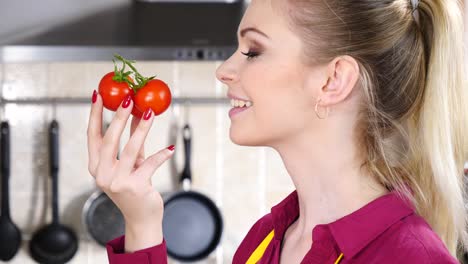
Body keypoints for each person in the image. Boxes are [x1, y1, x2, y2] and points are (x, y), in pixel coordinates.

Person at [87, 0, 468, 263]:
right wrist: (141, 222)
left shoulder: (409, 257)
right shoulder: (266, 241)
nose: (223, 70)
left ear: (334, 81)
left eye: (253, 51)